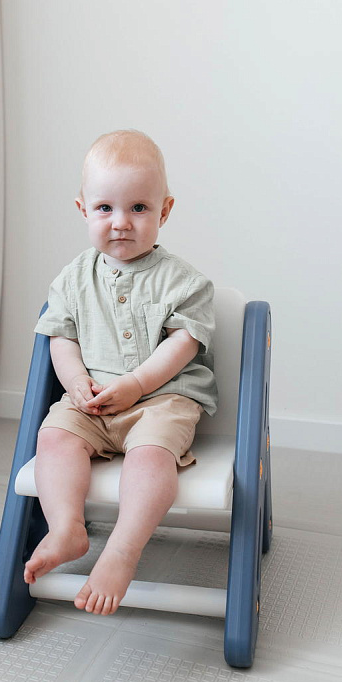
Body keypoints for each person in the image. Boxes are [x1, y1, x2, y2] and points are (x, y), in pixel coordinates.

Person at [23, 129, 217, 616]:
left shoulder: (184, 281)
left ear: (164, 211)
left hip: (160, 400)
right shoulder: (72, 278)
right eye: (105, 208)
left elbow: (183, 343)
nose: (121, 223)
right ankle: (67, 527)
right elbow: (61, 337)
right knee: (53, 438)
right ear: (83, 209)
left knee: (150, 457)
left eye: (139, 208)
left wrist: (135, 385)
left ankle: (123, 551)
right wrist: (75, 382)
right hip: (92, 400)